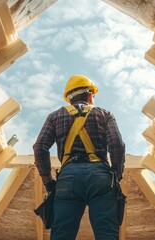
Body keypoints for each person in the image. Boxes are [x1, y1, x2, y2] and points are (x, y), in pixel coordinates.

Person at [33, 75, 126, 239]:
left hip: (68, 179)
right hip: (101, 177)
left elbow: (40, 147)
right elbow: (117, 145)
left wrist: (48, 182)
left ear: (69, 98)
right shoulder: (105, 114)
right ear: (90, 95)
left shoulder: (55, 116)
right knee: (107, 235)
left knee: (62, 236)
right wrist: (116, 176)